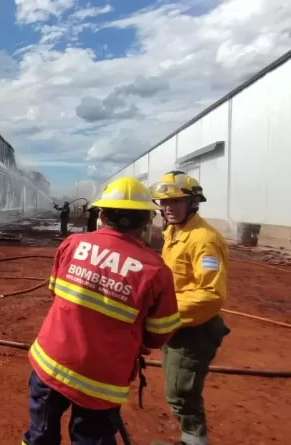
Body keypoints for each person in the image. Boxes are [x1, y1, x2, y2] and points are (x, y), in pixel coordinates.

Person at [22, 176, 182, 445]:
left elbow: (55, 292)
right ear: (145, 221)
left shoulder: (72, 245)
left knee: (39, 436)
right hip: (102, 380)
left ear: (102, 215)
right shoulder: (155, 270)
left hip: (50, 364)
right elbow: (158, 334)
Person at [149, 171, 230, 445]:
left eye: (176, 202)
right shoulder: (174, 231)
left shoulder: (202, 239)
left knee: (181, 393)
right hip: (177, 323)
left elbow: (209, 294)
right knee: (177, 389)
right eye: (164, 202)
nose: (168, 208)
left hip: (194, 329)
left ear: (193, 202)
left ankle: (195, 440)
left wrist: (161, 312)